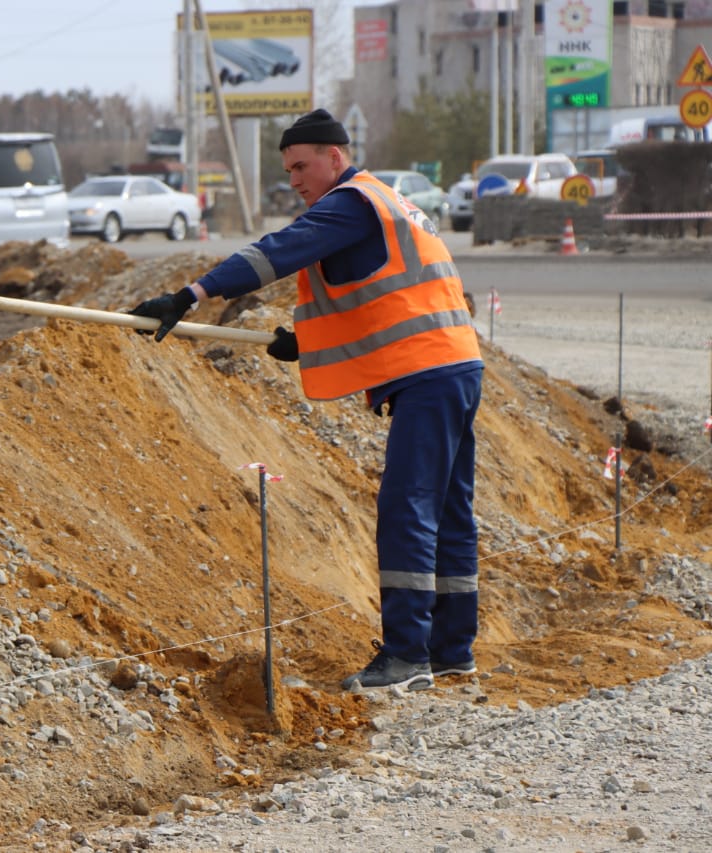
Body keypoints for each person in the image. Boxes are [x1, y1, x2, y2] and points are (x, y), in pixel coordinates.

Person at [129, 108, 483, 693]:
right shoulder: (388, 202)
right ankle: (450, 651)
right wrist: (313, 338)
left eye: (301, 165)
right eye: (288, 169)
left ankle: (406, 658)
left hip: (427, 373)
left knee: (408, 509)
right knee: (449, 512)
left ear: (334, 158)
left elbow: (276, 252)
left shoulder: (349, 203)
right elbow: (381, 296)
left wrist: (189, 295)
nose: (294, 179)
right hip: (456, 365)